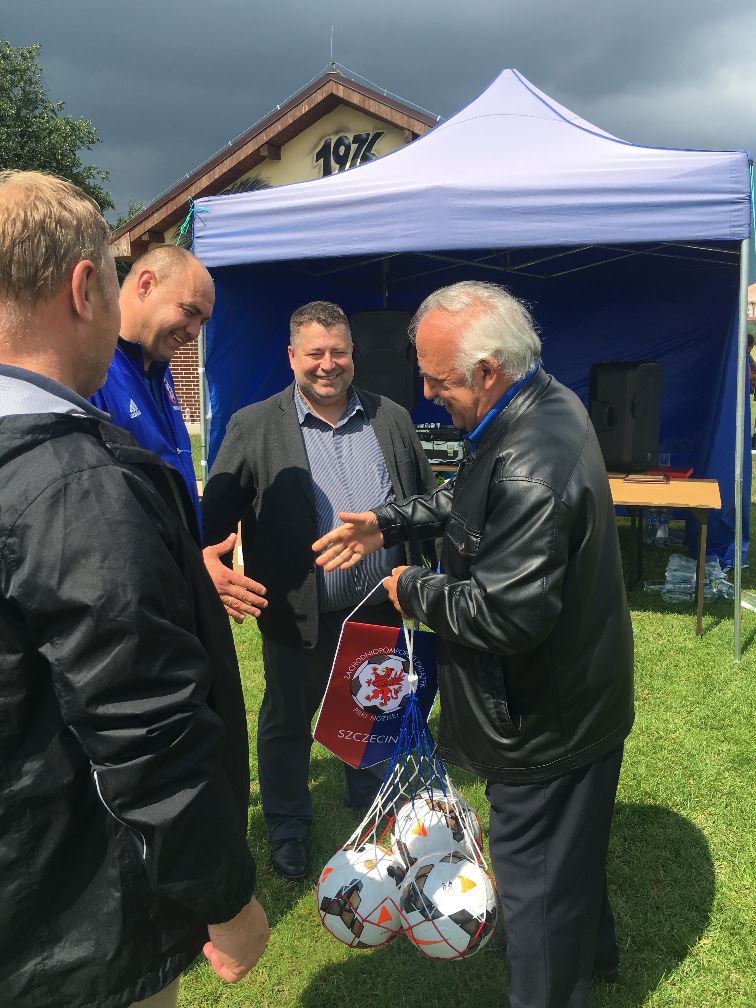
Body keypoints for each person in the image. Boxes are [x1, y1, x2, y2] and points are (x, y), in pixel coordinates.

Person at [314, 281, 635, 1008]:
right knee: (570, 852)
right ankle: (596, 955)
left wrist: (413, 590)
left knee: (536, 890)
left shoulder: (528, 461)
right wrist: (387, 522)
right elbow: (470, 498)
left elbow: (506, 617)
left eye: (438, 380)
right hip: (575, 700)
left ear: (488, 370)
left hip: (545, 723)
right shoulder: (538, 404)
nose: (428, 395)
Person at [0, 171, 268, 1008]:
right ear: (90, 288)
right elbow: (142, 719)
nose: (192, 332)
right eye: (188, 312)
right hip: (75, 910)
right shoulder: (73, 473)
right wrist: (226, 901)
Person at [201, 301, 437, 879]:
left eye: (339, 352)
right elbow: (215, 517)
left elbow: (422, 500)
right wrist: (208, 560)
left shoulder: (391, 418)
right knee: (287, 720)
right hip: (296, 610)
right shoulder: (255, 425)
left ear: (353, 354)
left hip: (378, 605)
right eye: (315, 354)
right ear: (291, 357)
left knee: (373, 706)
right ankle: (287, 824)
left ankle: (369, 794)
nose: (328, 364)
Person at [91, 245, 267, 624]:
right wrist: (187, 570)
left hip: (169, 596)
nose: (194, 332)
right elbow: (103, 520)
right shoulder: (95, 371)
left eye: (203, 321)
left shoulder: (158, 366)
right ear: (146, 285)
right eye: (189, 312)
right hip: (131, 607)